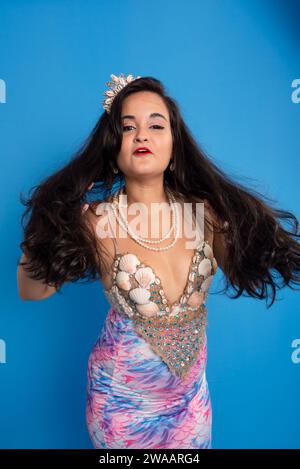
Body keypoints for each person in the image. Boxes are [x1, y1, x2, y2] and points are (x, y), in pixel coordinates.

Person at [17, 73, 300, 449]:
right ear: (112, 147)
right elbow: (31, 291)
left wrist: (252, 232)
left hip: (190, 402)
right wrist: (50, 220)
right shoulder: (96, 221)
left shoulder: (207, 216)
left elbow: (244, 268)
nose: (142, 135)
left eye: (155, 124)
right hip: (120, 404)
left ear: (173, 143)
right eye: (127, 127)